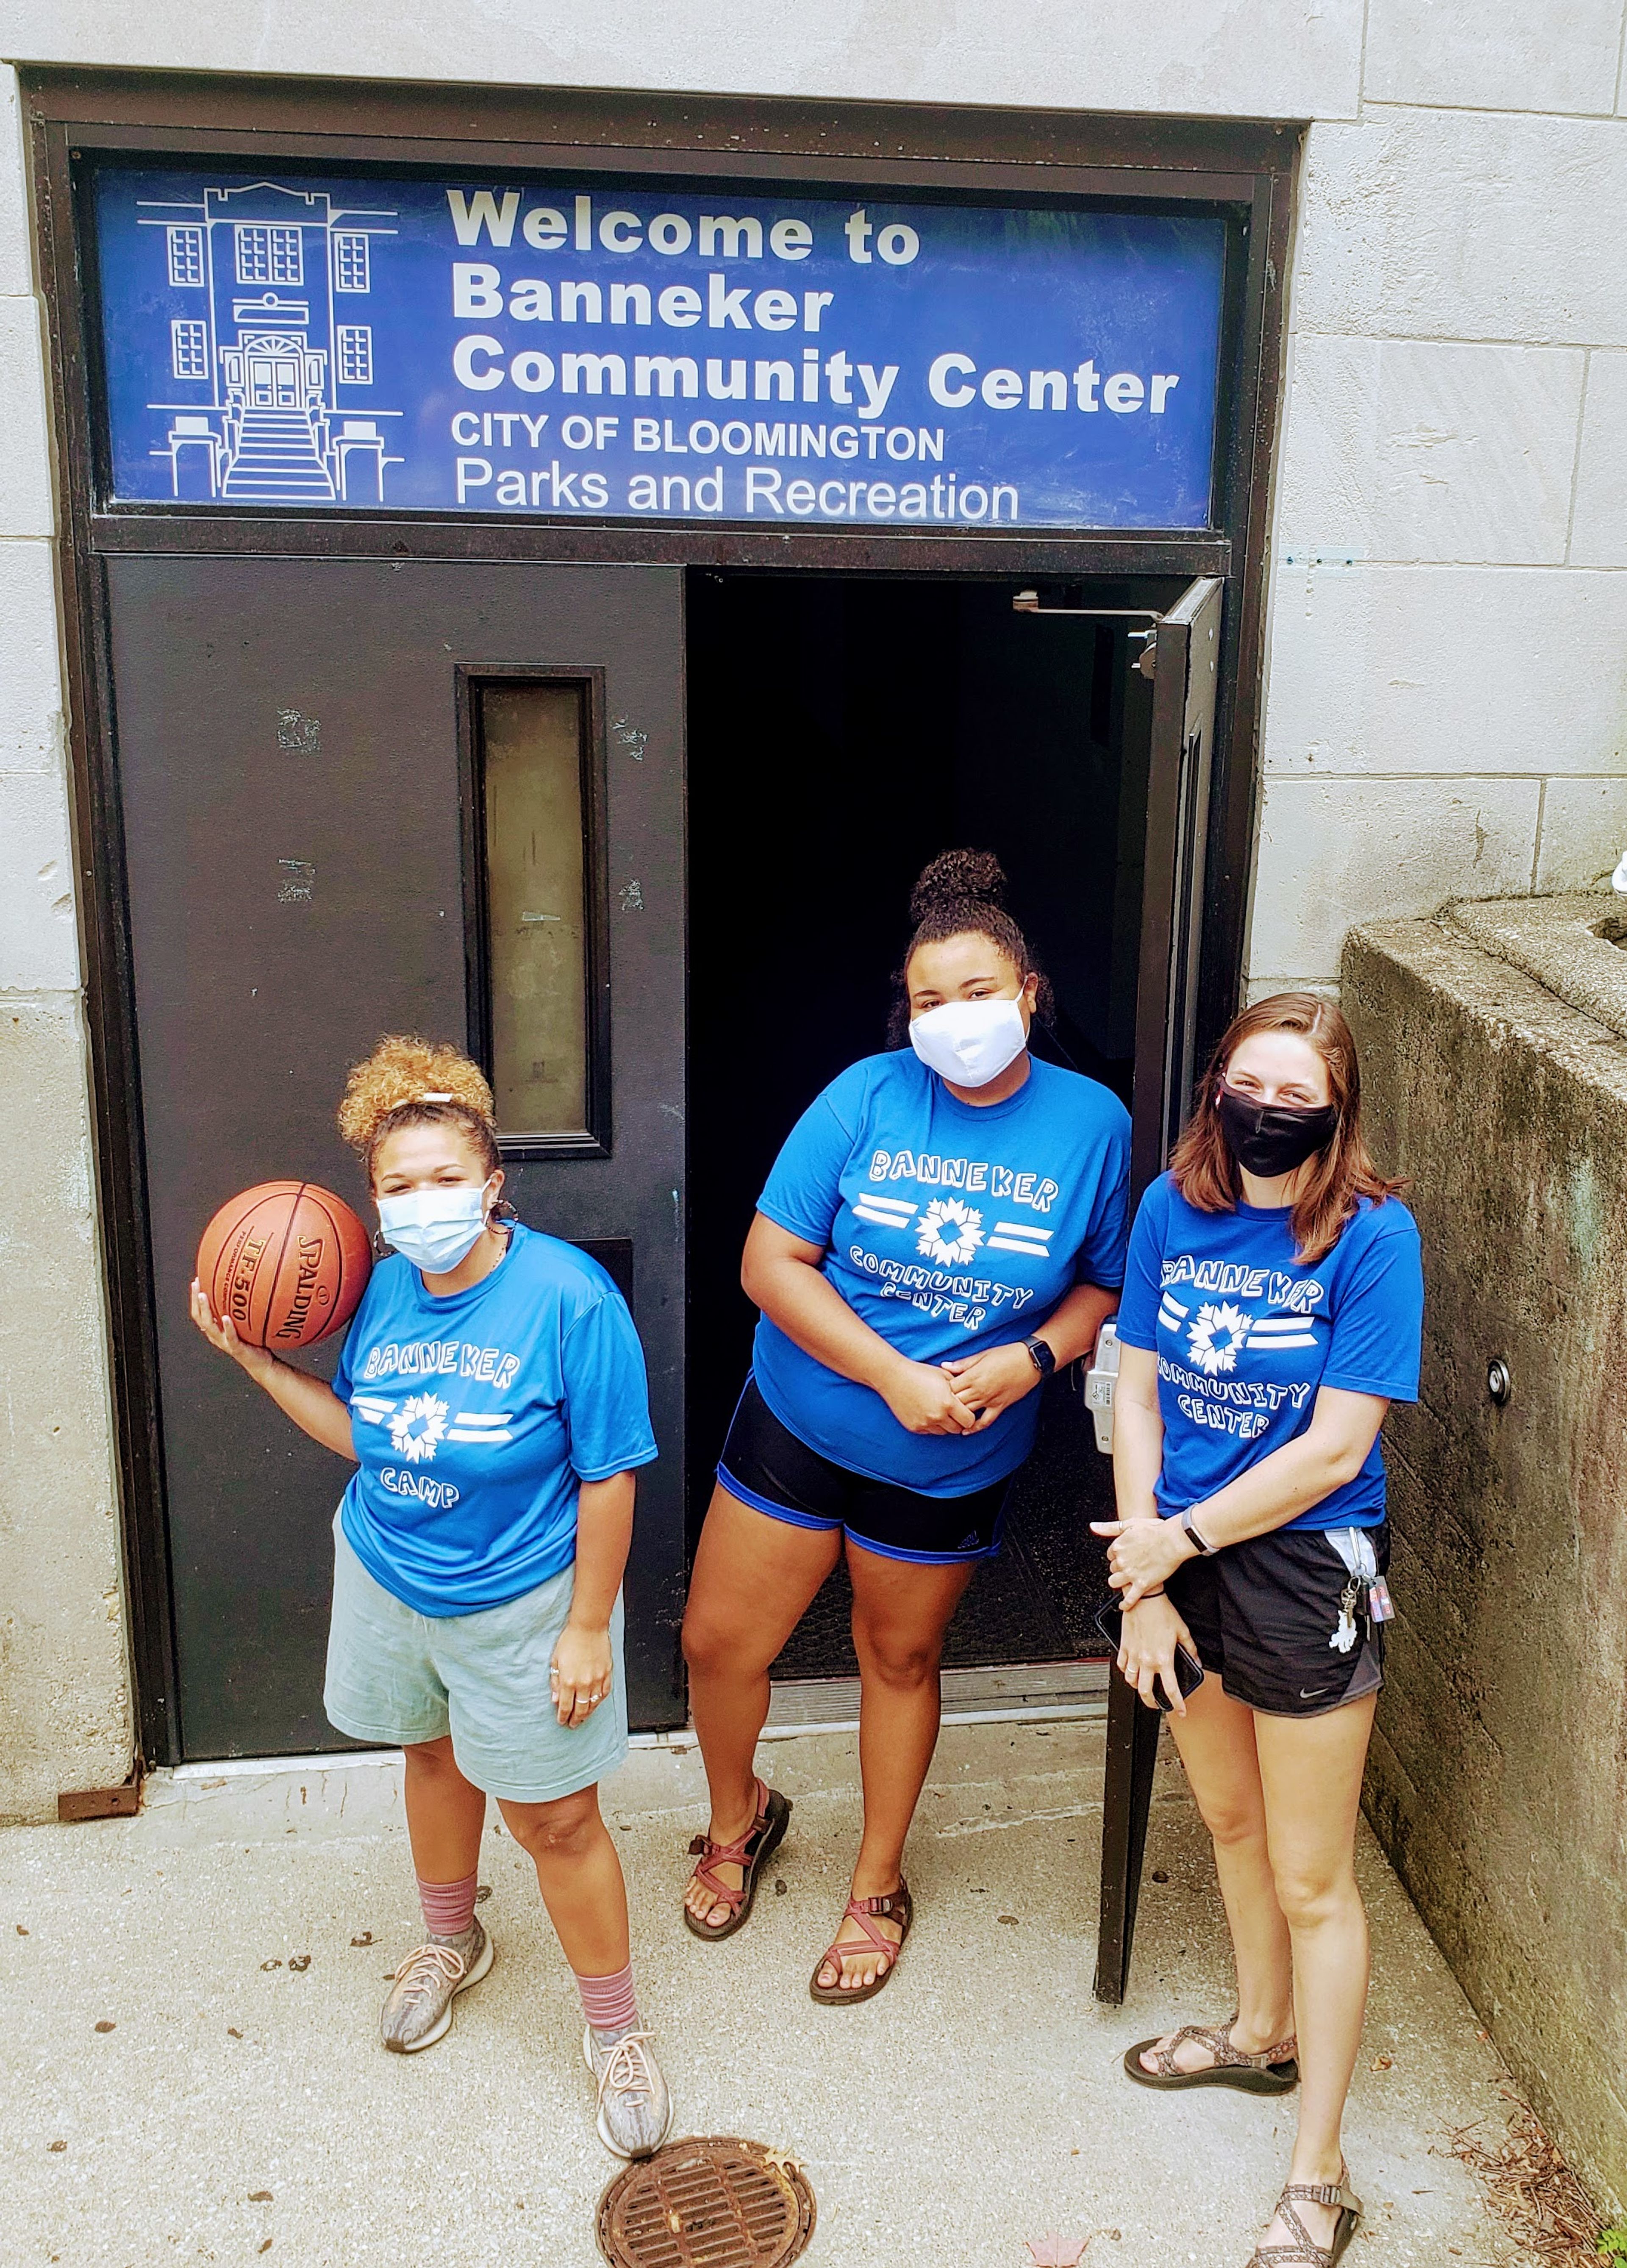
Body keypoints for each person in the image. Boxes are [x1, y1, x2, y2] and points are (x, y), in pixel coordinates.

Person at [190, 1037, 672, 2159]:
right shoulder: (378, 1289)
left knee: (556, 1819)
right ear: (373, 1201)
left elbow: (611, 1475)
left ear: (494, 1183)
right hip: (389, 1572)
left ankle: (616, 2033)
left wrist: (589, 1627)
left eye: (446, 1180)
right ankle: (452, 1941)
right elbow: (369, 1438)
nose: (423, 1204)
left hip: (523, 1600)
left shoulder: (569, 1300)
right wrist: (262, 1367)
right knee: (428, 1756)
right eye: (397, 1188)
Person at [681, 851, 1130, 2000]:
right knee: (721, 1645)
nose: (956, 1019)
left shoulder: (1094, 1124)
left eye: (978, 993)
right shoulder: (866, 1097)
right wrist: (889, 1373)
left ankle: (876, 1882)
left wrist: (1034, 1359)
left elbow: (1107, 1286)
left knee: (900, 1656)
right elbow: (768, 1263)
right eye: (932, 1001)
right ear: (909, 1009)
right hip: (803, 1415)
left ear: (1029, 991)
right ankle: (739, 1818)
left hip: (953, 1457)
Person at [1091, 993, 1422, 2268]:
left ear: (1337, 1112)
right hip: (1175, 1556)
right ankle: (1259, 2031)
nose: (1269, 1118)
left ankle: (1320, 2174)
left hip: (1299, 1563)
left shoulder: (1372, 1236)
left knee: (1311, 1876)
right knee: (1227, 1821)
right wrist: (1147, 1578)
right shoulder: (1174, 1205)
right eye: (1251, 1090)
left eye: (1299, 1102)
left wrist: (1177, 1543)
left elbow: (1338, 1444)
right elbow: (1137, 1379)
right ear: (1215, 1085)